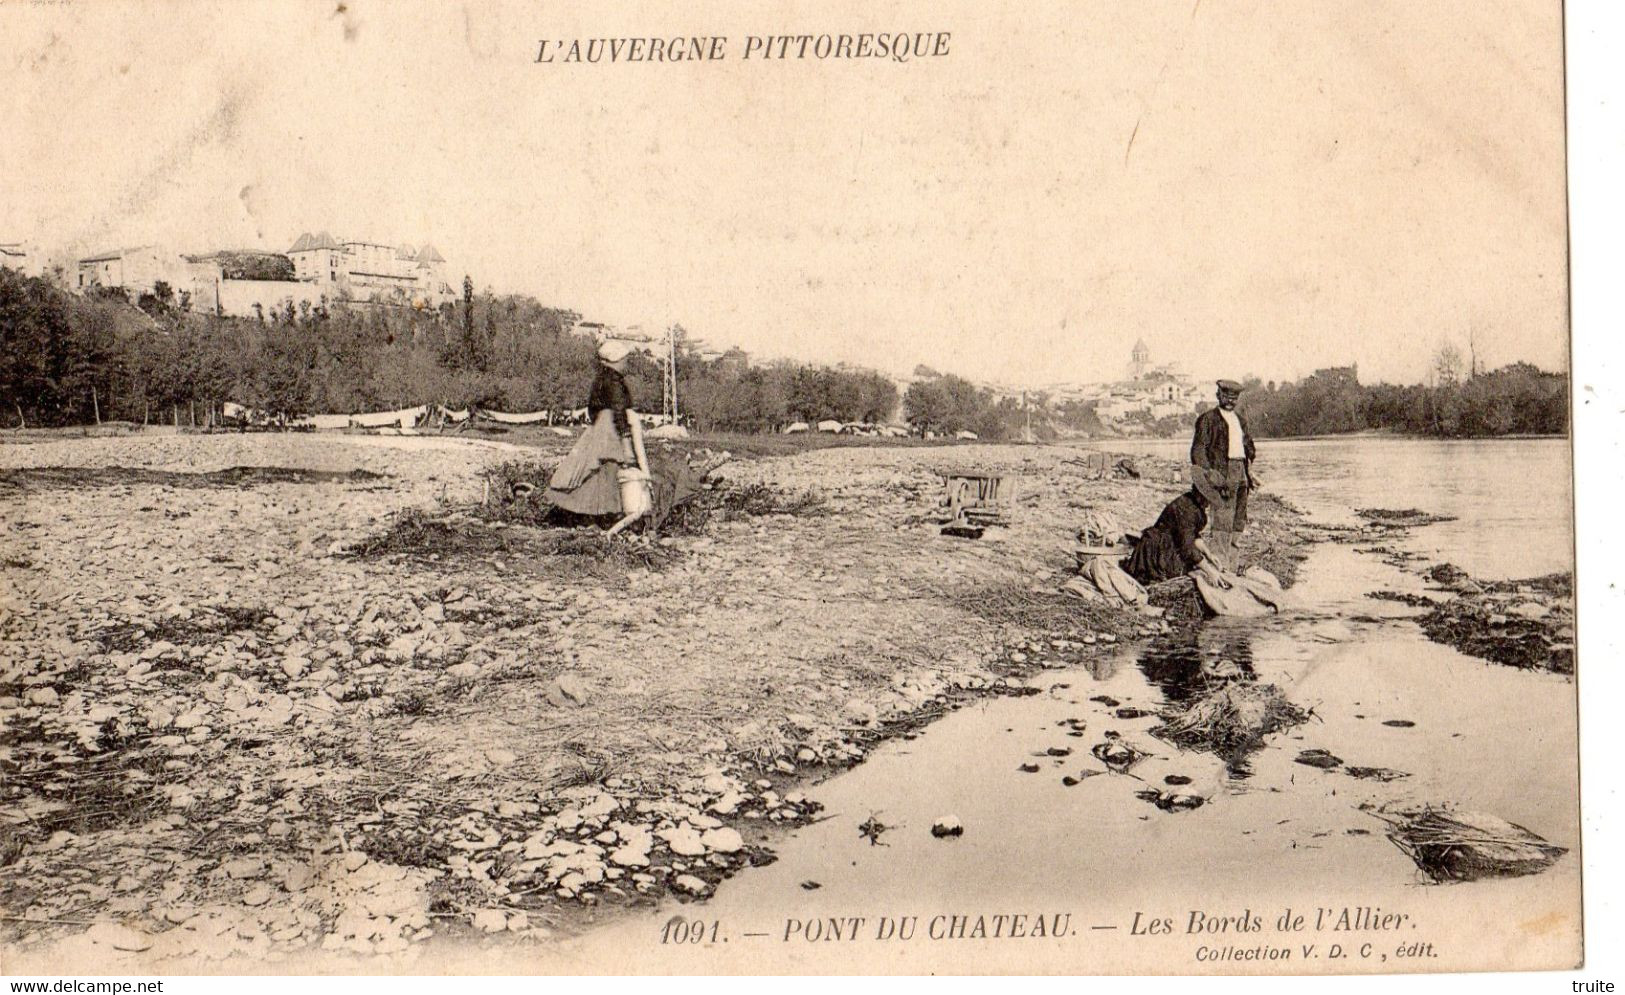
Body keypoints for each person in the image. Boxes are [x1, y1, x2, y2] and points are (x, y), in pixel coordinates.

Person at [546, 339, 650, 527]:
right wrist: (626, 439)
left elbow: (592, 409)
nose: (626, 362)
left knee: (592, 471)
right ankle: (603, 515)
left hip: (600, 427)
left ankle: (584, 514)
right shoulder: (614, 382)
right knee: (608, 471)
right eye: (624, 359)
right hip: (610, 430)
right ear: (616, 359)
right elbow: (619, 410)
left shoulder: (600, 379)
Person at [1189, 379, 1260, 571]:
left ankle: (1232, 566)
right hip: (1222, 473)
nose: (1230, 400)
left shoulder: (1240, 420)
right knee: (1222, 520)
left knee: (1238, 520)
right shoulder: (1207, 420)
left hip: (1241, 473)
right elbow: (1198, 450)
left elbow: (1249, 448)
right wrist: (1209, 473)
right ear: (1218, 395)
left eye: (1234, 397)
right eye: (1226, 396)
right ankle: (1221, 566)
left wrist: (1250, 472)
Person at [1121, 487, 1229, 587]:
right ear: (1201, 494)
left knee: (1196, 566)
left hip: (1171, 544)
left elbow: (1192, 535)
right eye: (1208, 499)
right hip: (1157, 549)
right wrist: (1210, 572)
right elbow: (1187, 547)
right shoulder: (1186, 508)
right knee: (1181, 574)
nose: (1209, 503)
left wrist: (1209, 554)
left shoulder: (1193, 504)